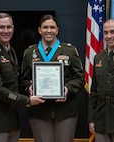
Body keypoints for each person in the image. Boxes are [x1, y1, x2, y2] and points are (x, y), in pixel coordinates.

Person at [0, 12, 45, 142]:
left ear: (13, 28)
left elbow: (13, 84)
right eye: (1, 27)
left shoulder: (10, 51)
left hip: (11, 120)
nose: (6, 31)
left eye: (9, 27)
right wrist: (27, 100)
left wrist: (30, 88)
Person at [19, 14, 85, 142]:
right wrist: (29, 88)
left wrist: (67, 89)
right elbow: (23, 81)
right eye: (45, 27)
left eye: (52, 27)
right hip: (39, 111)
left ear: (57, 30)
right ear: (39, 30)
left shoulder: (69, 51)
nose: (49, 31)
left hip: (66, 111)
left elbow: (80, 78)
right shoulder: (29, 53)